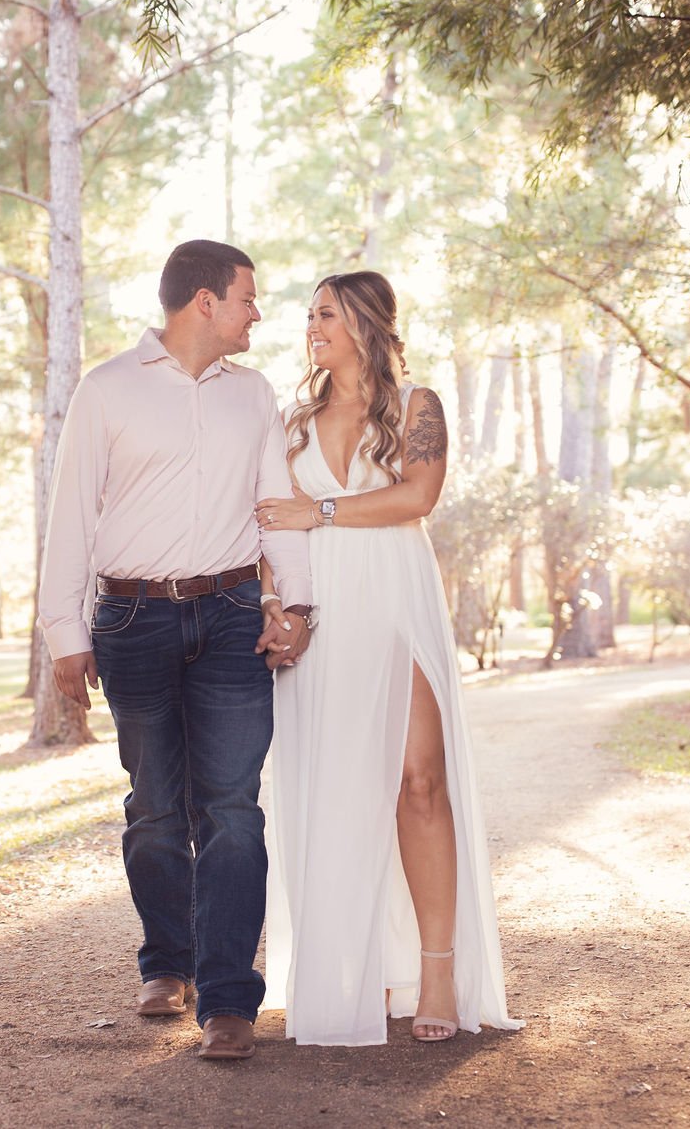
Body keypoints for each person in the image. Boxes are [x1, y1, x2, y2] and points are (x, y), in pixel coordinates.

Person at [40, 239, 315, 1061]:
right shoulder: (108, 389)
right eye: (246, 298)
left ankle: (229, 997)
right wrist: (65, 634)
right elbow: (72, 515)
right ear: (204, 301)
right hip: (132, 619)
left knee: (231, 808)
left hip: (233, 613)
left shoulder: (253, 393)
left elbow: (275, 505)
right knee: (156, 807)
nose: (257, 313)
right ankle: (168, 961)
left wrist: (294, 604)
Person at [256, 271, 515, 1046]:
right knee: (339, 791)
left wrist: (321, 510)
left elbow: (417, 496)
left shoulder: (415, 406)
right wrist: (278, 608)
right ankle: (353, 966)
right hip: (322, 615)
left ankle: (437, 967)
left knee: (419, 779)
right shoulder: (290, 422)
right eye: (309, 314)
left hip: (395, 601)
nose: (311, 326)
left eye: (325, 313)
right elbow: (272, 527)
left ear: (366, 322)